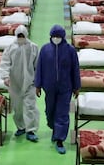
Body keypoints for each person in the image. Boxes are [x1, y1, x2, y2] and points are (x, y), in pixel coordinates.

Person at [34, 24, 81, 154]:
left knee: (62, 113)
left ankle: (60, 139)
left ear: (63, 37)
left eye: (58, 36)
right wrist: (37, 85)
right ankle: (54, 128)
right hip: (49, 87)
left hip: (65, 87)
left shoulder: (70, 50)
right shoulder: (45, 50)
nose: (56, 38)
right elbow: (39, 68)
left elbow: (75, 69)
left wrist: (76, 87)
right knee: (50, 111)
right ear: (50, 36)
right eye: (54, 36)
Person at [0, 25, 40, 142]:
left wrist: (38, 80)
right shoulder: (10, 47)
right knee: (17, 108)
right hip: (14, 82)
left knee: (30, 107)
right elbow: (5, 62)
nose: (21, 37)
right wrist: (5, 77)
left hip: (30, 82)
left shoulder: (33, 47)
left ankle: (31, 130)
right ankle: (21, 127)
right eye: (19, 36)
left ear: (26, 35)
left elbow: (37, 64)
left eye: (23, 36)